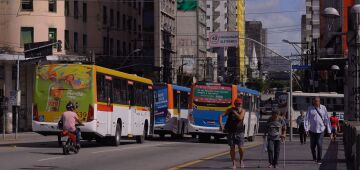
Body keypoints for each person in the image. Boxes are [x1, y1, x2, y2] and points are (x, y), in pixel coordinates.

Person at [219, 98, 246, 169]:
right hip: (231, 132)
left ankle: (241, 160)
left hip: (240, 132)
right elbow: (221, 116)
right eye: (237, 104)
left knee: (241, 148)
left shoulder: (243, 110)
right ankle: (234, 163)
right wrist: (221, 125)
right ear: (234, 104)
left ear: (241, 104)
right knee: (232, 148)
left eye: (239, 104)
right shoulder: (229, 110)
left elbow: (240, 118)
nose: (238, 105)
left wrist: (234, 112)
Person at [304, 97, 331, 165]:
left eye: (317, 101)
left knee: (319, 144)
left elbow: (326, 119)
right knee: (312, 146)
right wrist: (306, 129)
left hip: (321, 130)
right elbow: (306, 119)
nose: (316, 102)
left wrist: (329, 130)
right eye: (314, 101)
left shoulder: (323, 108)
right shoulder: (310, 108)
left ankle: (319, 159)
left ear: (319, 101)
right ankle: (314, 157)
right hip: (312, 130)